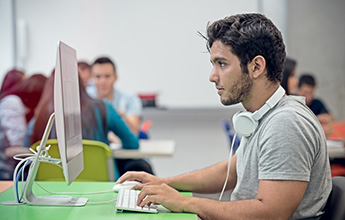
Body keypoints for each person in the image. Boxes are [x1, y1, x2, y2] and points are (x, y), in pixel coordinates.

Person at [116, 13, 332, 219]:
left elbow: (271, 214)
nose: (212, 76)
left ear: (256, 66)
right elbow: (231, 172)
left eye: (222, 64)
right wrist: (165, 182)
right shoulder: (261, 116)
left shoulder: (286, 123)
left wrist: (184, 202)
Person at [24, 73, 140, 179]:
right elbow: (132, 143)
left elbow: (27, 148)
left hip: (48, 188)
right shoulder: (104, 108)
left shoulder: (40, 117)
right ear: (81, 85)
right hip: (101, 186)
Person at [88, 57, 154, 175]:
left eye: (107, 76)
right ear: (91, 78)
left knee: (140, 167)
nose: (102, 81)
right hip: (95, 159)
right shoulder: (85, 101)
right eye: (98, 76)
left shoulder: (130, 99)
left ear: (115, 77)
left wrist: (119, 115)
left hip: (126, 158)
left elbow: (134, 132)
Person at [0, 74, 47, 180]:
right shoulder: (13, 103)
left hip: (15, 165)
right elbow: (17, 143)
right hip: (7, 169)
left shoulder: (21, 106)